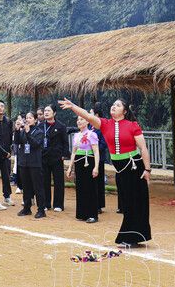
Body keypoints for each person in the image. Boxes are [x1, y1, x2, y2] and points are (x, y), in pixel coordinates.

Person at [59, 98, 152, 247]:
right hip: (120, 169)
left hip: (135, 167)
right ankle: (132, 236)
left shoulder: (132, 125)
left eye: (118, 105)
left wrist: (147, 169)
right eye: (113, 104)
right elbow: (87, 116)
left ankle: (132, 237)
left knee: (136, 202)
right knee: (127, 204)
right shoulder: (105, 124)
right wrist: (72, 106)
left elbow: (143, 148)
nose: (114, 106)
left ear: (125, 111)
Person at [67, 116, 100, 223]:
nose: (79, 121)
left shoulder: (92, 134)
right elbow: (73, 152)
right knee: (80, 187)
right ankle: (82, 213)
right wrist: (70, 167)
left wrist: (96, 167)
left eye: (81, 119)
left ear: (87, 121)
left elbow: (96, 152)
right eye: (78, 120)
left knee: (90, 187)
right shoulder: (76, 135)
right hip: (79, 163)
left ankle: (92, 215)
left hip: (88, 162)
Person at [14, 112, 46, 218]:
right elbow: (17, 142)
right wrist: (17, 130)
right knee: (26, 187)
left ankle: (41, 210)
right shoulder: (23, 131)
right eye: (26, 118)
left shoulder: (39, 132)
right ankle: (27, 208)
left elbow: (35, 144)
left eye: (30, 117)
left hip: (35, 163)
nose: (28, 119)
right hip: (24, 162)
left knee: (38, 187)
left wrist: (28, 133)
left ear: (35, 120)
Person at [38, 105, 68, 212]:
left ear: (54, 113)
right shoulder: (40, 126)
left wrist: (64, 155)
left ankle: (58, 204)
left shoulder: (61, 126)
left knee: (58, 181)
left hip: (57, 158)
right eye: (45, 111)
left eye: (48, 111)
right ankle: (46, 204)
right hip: (44, 157)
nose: (46, 112)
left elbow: (65, 142)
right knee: (44, 181)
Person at [0, 100, 14, 206]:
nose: (0, 108)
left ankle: (7, 196)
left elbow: (10, 137)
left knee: (6, 176)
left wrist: (9, 150)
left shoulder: (8, 122)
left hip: (6, 154)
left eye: (2, 106)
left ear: (4, 109)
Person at [90, 103, 110, 213]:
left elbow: (103, 144)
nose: (89, 115)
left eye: (91, 113)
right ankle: (91, 203)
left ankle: (99, 205)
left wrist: (95, 149)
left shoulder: (102, 126)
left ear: (96, 115)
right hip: (89, 158)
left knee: (99, 182)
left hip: (99, 158)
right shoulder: (89, 126)